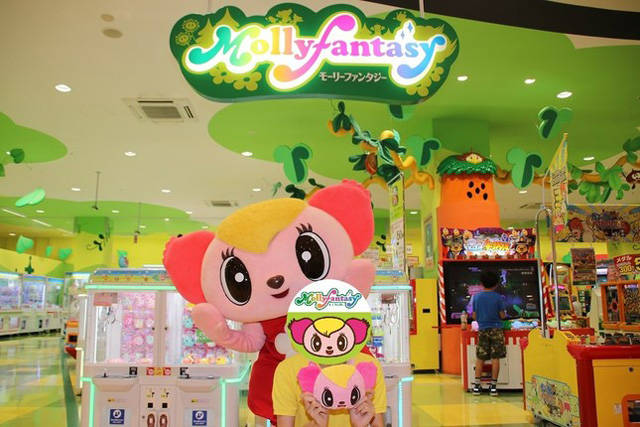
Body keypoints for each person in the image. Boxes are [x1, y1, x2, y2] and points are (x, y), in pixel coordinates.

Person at [273, 351, 387, 427]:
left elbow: (377, 423)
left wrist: (360, 425)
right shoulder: (288, 369)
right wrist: (316, 424)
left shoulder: (368, 367)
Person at [471, 270, 507, 396]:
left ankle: (477, 386)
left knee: (480, 358)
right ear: (496, 284)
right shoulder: (498, 298)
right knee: (495, 358)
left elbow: (474, 316)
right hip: (497, 329)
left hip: (482, 330)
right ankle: (493, 387)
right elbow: (502, 315)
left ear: (481, 283)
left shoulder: (476, 297)